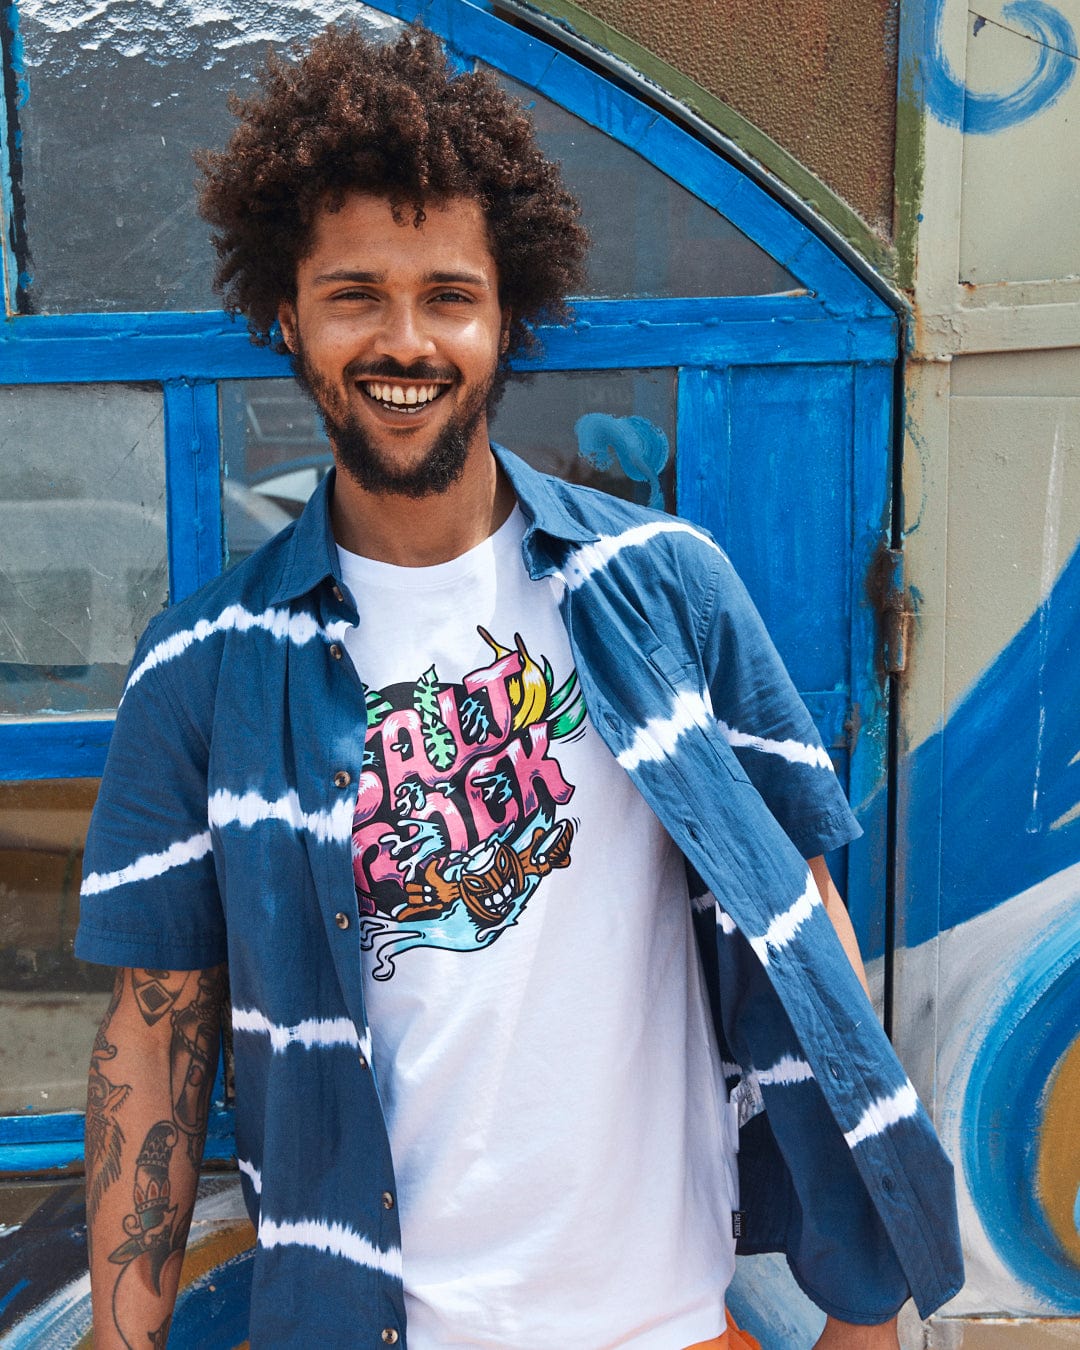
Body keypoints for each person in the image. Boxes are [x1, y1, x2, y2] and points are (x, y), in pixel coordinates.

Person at [76, 23, 963, 1350]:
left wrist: (865, 1297)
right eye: (354, 293)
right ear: (285, 313)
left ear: (508, 312)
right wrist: (117, 1337)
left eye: (448, 293)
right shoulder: (205, 666)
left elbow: (804, 920)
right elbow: (156, 1030)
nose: (405, 338)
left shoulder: (666, 588)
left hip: (668, 1328)